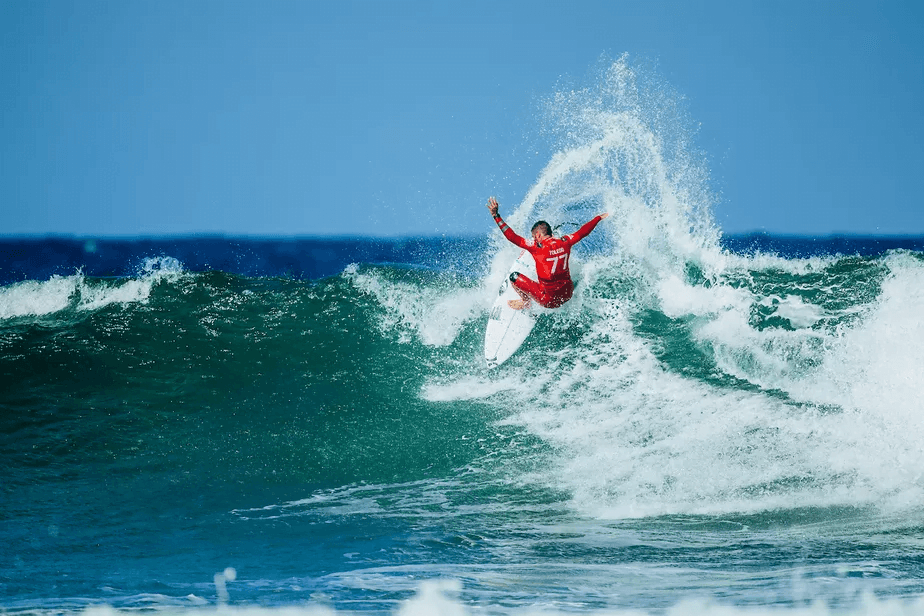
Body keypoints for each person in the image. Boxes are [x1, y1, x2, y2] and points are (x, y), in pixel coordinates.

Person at [487, 196, 609, 310]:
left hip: (549, 301)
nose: (533, 240)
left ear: (538, 235)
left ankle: (525, 301)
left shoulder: (536, 247)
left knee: (513, 277)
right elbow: (582, 232)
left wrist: (496, 215)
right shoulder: (565, 241)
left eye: (534, 237)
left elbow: (512, 237)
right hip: (567, 294)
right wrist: (597, 218)